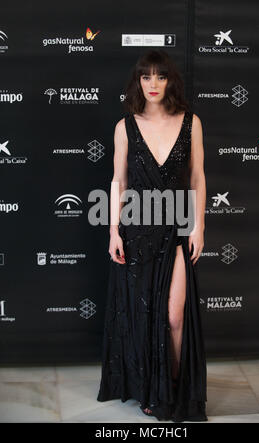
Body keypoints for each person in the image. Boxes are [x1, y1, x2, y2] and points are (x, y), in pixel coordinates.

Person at [97, 49, 207, 422]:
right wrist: (113, 231)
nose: (153, 84)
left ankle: (172, 389)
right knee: (142, 318)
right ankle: (149, 390)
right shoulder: (124, 126)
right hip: (136, 232)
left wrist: (199, 226)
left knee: (175, 317)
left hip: (175, 231)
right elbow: (119, 182)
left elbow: (197, 178)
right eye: (146, 77)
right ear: (138, 82)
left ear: (169, 81)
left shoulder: (191, 122)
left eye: (160, 76)